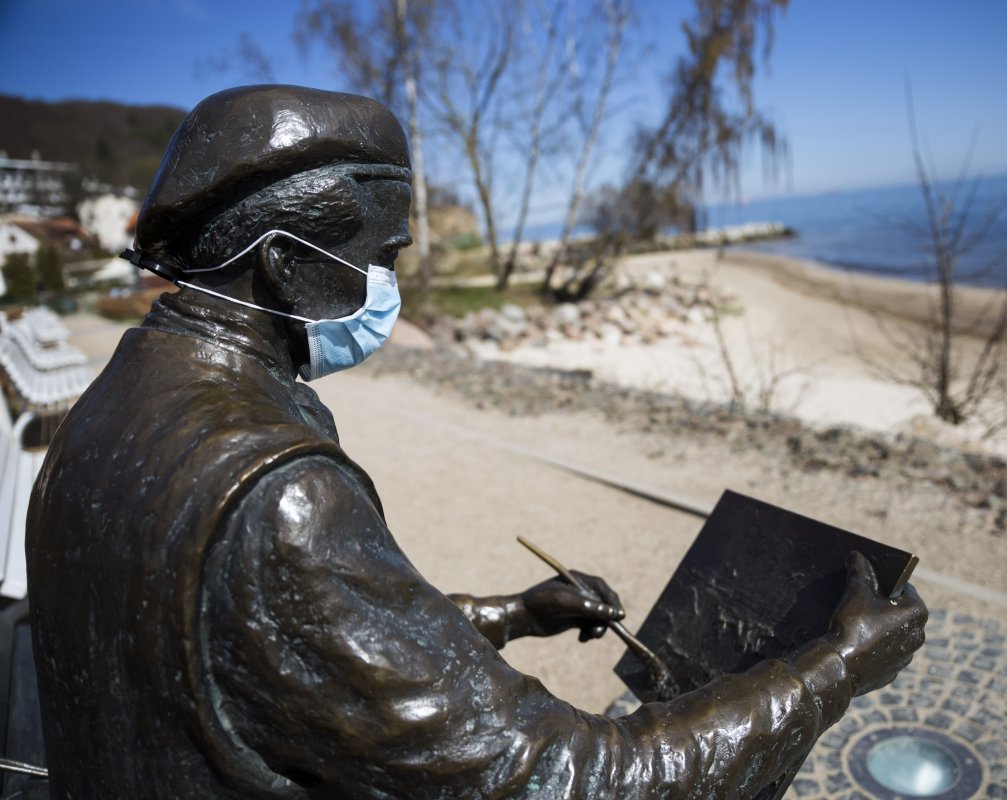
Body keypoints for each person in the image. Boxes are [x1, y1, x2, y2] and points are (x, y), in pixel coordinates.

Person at [26, 85, 926, 799]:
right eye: (383, 258)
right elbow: (568, 775)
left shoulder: (108, 408)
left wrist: (515, 614)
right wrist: (833, 670)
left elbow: (301, 647)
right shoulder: (280, 495)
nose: (389, 286)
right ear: (286, 264)